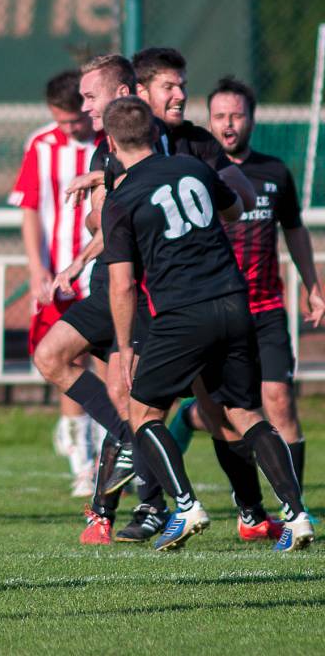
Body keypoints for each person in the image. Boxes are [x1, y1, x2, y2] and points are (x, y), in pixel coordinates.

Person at [101, 95, 314, 552]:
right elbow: (235, 209)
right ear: (154, 134)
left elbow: (121, 285)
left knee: (143, 413)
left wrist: (125, 349)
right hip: (235, 303)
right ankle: (297, 517)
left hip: (182, 313)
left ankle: (185, 505)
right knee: (246, 412)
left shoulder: (121, 198)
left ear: (111, 142)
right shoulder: (192, 167)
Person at [164, 76, 324, 540]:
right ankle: (251, 512)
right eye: (219, 117)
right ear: (208, 120)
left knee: (280, 402)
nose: (228, 125)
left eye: (236, 116)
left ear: (252, 119)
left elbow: (294, 229)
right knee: (225, 414)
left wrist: (313, 285)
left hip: (266, 307)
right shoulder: (192, 174)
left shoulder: (275, 172)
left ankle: (294, 507)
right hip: (214, 310)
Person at [126, 47, 260, 530]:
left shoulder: (197, 144)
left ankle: (249, 507)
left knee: (213, 409)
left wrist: (233, 183)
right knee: (132, 399)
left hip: (189, 297)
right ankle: (149, 506)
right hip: (140, 293)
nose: (181, 94)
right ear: (141, 93)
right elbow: (104, 214)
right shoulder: (126, 140)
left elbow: (237, 197)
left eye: (182, 84)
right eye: (169, 86)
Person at [33, 55, 154, 546]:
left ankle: (159, 504)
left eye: (90, 96)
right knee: (53, 357)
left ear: (122, 91)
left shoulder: (143, 147)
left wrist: (81, 254)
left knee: (152, 402)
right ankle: (133, 457)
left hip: (133, 289)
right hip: (104, 286)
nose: (84, 106)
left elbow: (116, 223)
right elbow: (103, 222)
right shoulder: (103, 152)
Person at [8, 69, 104, 497]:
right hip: (61, 276)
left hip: (104, 269)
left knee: (111, 363)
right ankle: (82, 461)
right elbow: (30, 208)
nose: (69, 129)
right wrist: (36, 269)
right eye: (60, 121)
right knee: (71, 361)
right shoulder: (41, 145)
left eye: (74, 120)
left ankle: (110, 456)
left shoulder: (109, 140)